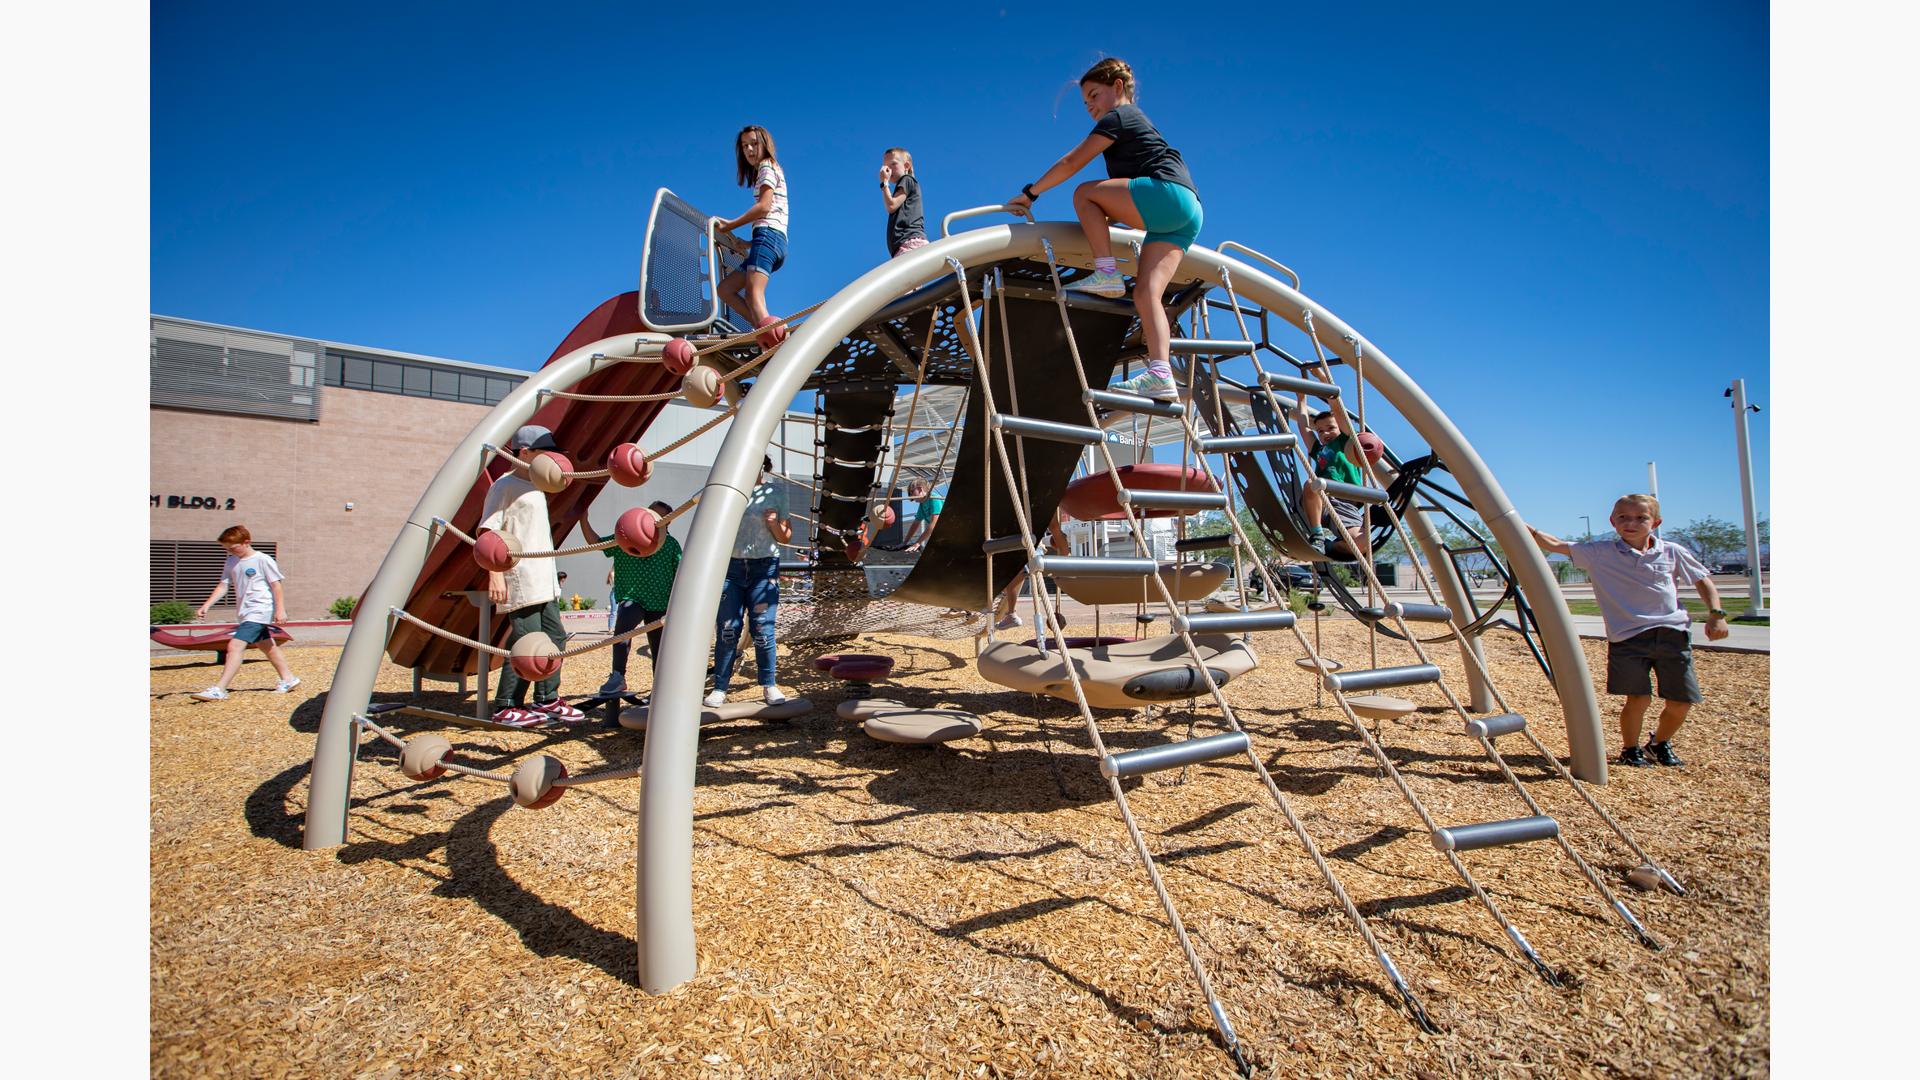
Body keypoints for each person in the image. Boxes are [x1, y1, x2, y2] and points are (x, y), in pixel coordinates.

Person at [1007, 58, 1202, 402]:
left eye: (1094, 96)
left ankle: (1106, 273)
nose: (1091, 107)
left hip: (1166, 194)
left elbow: (1072, 162)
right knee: (1146, 295)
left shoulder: (1120, 115)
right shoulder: (1136, 125)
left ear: (1118, 88)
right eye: (1085, 103)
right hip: (1187, 213)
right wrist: (1101, 219)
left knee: (1084, 193)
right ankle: (1161, 372)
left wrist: (1031, 193)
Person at [1528, 495, 1730, 768]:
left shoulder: (1671, 551)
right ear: (1613, 521)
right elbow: (1552, 543)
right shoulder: (1600, 553)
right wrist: (1508, 517)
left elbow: (1702, 580)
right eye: (1623, 517)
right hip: (1628, 637)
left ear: (1655, 522)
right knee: (1638, 698)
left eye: (1640, 518)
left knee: (1681, 700)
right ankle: (1630, 748)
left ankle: (1658, 743)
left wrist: (1716, 614)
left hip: (1672, 633)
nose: (1630, 523)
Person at [478, 425, 585, 727]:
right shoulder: (504, 486)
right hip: (520, 577)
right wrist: (495, 575)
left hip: (543, 578)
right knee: (527, 641)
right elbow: (489, 531)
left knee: (555, 637)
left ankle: (547, 698)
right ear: (525, 453)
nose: (550, 458)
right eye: (544, 452)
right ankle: (506, 705)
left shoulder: (538, 484)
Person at [707, 456, 794, 707]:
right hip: (730, 567)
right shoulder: (729, 490)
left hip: (763, 566)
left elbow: (786, 536)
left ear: (762, 468)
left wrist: (774, 523)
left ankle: (769, 685)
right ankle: (720, 687)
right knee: (727, 628)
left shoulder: (774, 492)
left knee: (763, 628)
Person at [581, 500, 682, 696]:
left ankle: (661, 689)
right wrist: (583, 520)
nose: (653, 522)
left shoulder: (671, 545)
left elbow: (680, 574)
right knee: (622, 634)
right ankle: (618, 676)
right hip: (633, 598)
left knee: (659, 648)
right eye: (651, 515)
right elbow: (597, 543)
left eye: (660, 519)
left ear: (667, 523)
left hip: (661, 603)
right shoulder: (627, 537)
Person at [191, 524, 300, 700]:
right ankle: (289, 678)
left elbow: (276, 585)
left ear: (246, 542)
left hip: (259, 609)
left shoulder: (263, 560)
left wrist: (280, 610)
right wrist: (207, 605)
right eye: (226, 549)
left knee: (234, 646)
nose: (230, 551)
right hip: (244, 611)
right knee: (268, 647)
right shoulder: (231, 561)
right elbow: (223, 585)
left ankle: (220, 689)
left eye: (233, 548)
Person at [714, 125, 789, 333]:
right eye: (745, 146)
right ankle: (762, 330)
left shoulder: (767, 166)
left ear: (764, 144)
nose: (749, 150)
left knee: (753, 293)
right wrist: (747, 243)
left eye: (754, 143)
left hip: (769, 237)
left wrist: (730, 224)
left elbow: (764, 207)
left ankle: (773, 341)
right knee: (725, 290)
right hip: (771, 240)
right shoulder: (769, 170)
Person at [1297, 409, 1367, 557]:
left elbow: (1338, 410)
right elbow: (1304, 428)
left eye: (1331, 428)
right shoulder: (1319, 450)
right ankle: (1317, 535)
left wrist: (1327, 386)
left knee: (1362, 544)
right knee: (1312, 484)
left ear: (1341, 427)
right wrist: (1301, 399)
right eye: (1320, 431)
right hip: (1321, 500)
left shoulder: (1346, 442)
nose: (1325, 434)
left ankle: (1329, 546)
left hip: (1345, 504)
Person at [992, 512, 1069, 630]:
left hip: (1029, 552)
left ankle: (1011, 613)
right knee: (1011, 582)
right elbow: (1055, 530)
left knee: (1012, 582)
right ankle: (1009, 612)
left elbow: (1054, 529)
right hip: (1033, 551)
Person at [879, 147, 927, 258]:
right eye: (886, 166)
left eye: (893, 164)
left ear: (906, 166)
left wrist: (884, 183)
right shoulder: (906, 183)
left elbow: (891, 205)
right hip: (904, 245)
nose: (888, 170)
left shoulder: (907, 180)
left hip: (910, 243)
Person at [900, 478, 943, 551]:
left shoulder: (935, 498)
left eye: (911, 492)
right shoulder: (922, 504)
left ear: (920, 489)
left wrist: (917, 543)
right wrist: (904, 543)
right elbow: (915, 524)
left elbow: (934, 524)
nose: (911, 497)